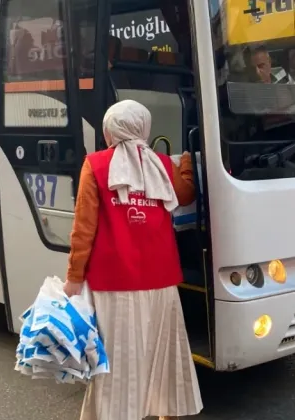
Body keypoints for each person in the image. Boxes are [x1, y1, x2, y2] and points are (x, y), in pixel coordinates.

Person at [63, 99, 203, 420]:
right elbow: (186, 195)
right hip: (160, 278)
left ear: (109, 130)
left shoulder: (95, 165)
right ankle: (167, 412)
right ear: (143, 127)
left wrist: (74, 277)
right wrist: (183, 163)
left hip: (113, 281)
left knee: (119, 359)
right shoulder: (161, 165)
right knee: (162, 352)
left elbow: (83, 228)